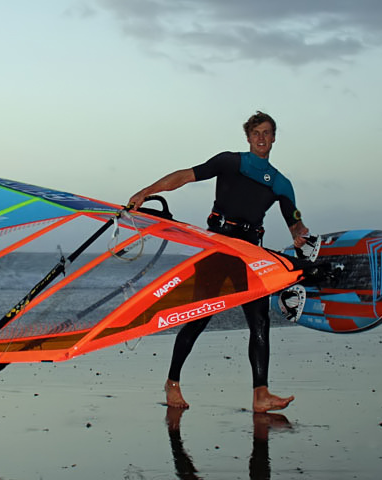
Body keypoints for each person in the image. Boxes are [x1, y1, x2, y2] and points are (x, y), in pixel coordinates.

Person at [128, 111, 311, 413]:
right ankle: (172, 382)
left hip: (250, 253)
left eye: (267, 133)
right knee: (199, 316)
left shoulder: (281, 183)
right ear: (248, 137)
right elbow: (185, 176)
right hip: (219, 247)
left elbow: (295, 224)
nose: (262, 138)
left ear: (274, 137)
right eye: (256, 133)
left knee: (260, 321)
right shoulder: (230, 161)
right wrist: (146, 192)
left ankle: (260, 394)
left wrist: (300, 234)